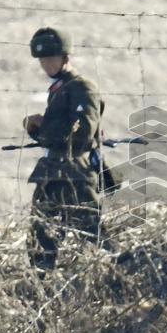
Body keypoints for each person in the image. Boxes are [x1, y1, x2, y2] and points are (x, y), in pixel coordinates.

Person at [23, 27, 103, 271]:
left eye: (51, 58)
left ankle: (109, 284)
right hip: (52, 174)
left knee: (92, 238)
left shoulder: (82, 87)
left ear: (65, 57)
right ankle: (42, 290)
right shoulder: (60, 88)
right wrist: (36, 128)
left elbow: (82, 134)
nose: (46, 64)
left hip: (75, 174)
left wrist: (43, 126)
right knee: (40, 240)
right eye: (42, 60)